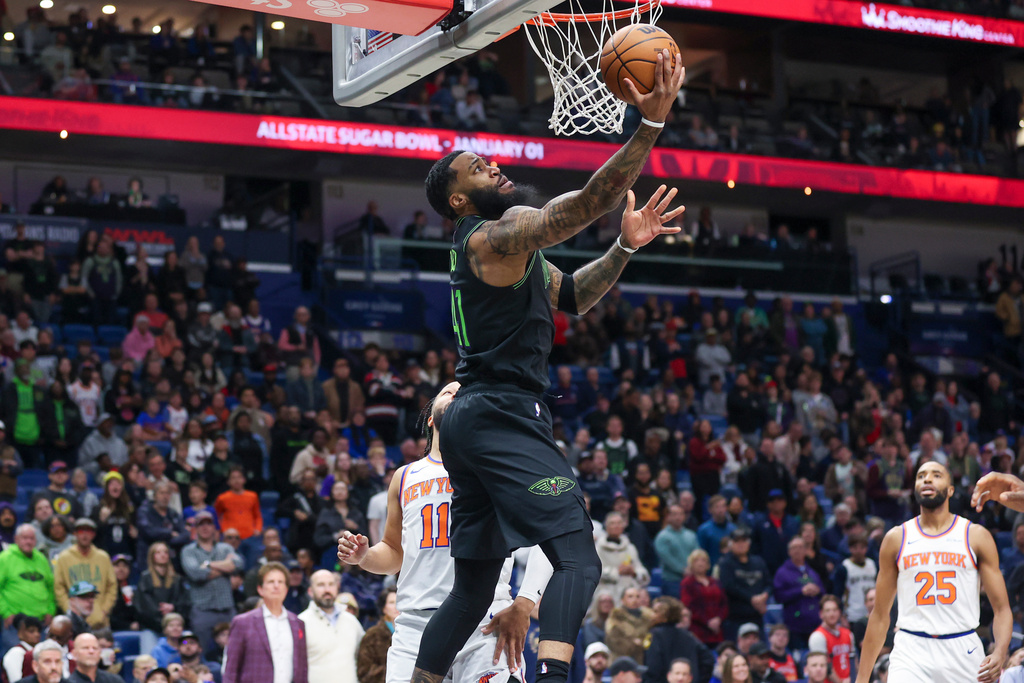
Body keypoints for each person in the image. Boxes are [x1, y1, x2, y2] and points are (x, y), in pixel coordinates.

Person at [419, 49, 685, 683]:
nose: (494, 166)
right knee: (578, 560)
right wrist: (648, 124)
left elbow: (576, 297)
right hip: (498, 412)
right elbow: (587, 201)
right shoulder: (492, 234)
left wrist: (625, 245)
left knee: (473, 590)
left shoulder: (512, 251)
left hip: (474, 418)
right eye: (478, 168)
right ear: (459, 200)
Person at [338, 383, 553, 683]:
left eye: (463, 394)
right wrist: (365, 556)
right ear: (430, 418)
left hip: (485, 625)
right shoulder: (404, 477)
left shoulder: (499, 470)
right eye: (448, 391)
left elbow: (552, 535)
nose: (455, 393)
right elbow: (393, 551)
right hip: (416, 626)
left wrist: (525, 603)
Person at [855, 462, 1011, 683]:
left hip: (963, 646)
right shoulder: (896, 538)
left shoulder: (975, 535)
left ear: (950, 490)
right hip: (911, 649)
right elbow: (880, 615)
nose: (927, 479)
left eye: (936, 475)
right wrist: (861, 679)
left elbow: (1002, 609)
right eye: (921, 476)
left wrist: (1000, 652)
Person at [222, 562, 308, 683]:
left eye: (281, 582)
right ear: (260, 589)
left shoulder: (298, 623)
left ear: (286, 589)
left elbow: (302, 669)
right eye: (271, 582)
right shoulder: (242, 622)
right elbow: (231, 671)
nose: (276, 586)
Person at [180, 511, 242, 650]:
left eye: (209, 523)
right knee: (202, 651)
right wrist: (225, 566)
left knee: (235, 651)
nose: (205, 527)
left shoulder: (225, 547)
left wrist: (208, 564)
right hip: (203, 611)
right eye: (201, 524)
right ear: (195, 528)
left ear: (214, 527)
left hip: (227, 609)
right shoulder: (188, 551)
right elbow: (196, 573)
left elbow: (238, 564)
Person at [299, 570, 364, 683]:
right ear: (310, 591)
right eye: (321, 585)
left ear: (337, 587)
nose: (327, 590)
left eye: (331, 584)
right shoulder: (301, 622)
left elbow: (364, 657)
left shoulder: (351, 621)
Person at [53, 519, 116, 630]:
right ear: (75, 534)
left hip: (100, 622)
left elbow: (112, 586)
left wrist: (104, 610)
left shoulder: (103, 557)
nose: (85, 535)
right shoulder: (64, 557)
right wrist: (69, 609)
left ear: (94, 535)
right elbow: (58, 587)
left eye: (89, 531)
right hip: (74, 622)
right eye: (81, 531)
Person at [641, 597, 714, 683]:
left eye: (655, 611)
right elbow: (708, 659)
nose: (651, 615)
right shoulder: (689, 636)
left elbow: (653, 667)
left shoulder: (653, 635)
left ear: (665, 616)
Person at [0, 525, 56, 635]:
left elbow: (50, 587)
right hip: (15, 622)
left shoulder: (41, 558)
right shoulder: (4, 558)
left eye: (32, 538)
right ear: (16, 539)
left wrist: (51, 611)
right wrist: (5, 612)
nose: (28, 542)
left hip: (41, 623)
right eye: (25, 538)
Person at [719, 528, 769, 640]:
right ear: (731, 544)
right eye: (737, 541)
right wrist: (751, 599)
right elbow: (729, 586)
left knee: (760, 652)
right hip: (735, 617)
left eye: (744, 541)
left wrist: (764, 596)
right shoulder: (726, 563)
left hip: (757, 616)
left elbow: (769, 583)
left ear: (749, 543)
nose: (741, 544)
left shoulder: (758, 562)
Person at [679, 550, 727, 648]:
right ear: (691, 564)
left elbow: (724, 603)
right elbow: (688, 606)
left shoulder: (715, 582)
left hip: (717, 629)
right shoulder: (687, 583)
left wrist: (718, 619)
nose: (700, 563)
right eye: (696, 560)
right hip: (697, 630)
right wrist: (707, 621)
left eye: (703, 560)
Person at [654, 504, 699, 601]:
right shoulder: (662, 537)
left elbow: (697, 554)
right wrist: (683, 570)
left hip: (692, 579)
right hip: (672, 581)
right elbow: (667, 558)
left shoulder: (691, 535)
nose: (678, 517)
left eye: (680, 514)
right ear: (668, 517)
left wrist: (694, 569)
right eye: (674, 514)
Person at [830, 534, 876, 624]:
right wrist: (842, 616)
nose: (859, 551)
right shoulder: (844, 567)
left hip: (871, 613)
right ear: (850, 549)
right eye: (855, 547)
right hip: (852, 615)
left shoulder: (872, 564)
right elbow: (838, 594)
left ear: (866, 548)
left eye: (862, 547)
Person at [807, 596, 853, 683]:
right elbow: (825, 666)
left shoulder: (848, 633)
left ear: (839, 612)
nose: (832, 614)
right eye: (827, 611)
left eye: (835, 610)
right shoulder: (818, 636)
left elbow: (854, 661)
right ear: (821, 614)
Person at [357, 589, 397, 683]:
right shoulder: (373, 635)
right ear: (384, 608)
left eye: (400, 601)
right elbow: (364, 672)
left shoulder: (413, 633)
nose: (397, 606)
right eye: (392, 602)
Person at [3, 615, 42, 683]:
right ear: (20, 633)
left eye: (38, 631)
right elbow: (16, 681)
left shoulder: (39, 651)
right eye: (31, 631)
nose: (37, 634)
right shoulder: (16, 652)